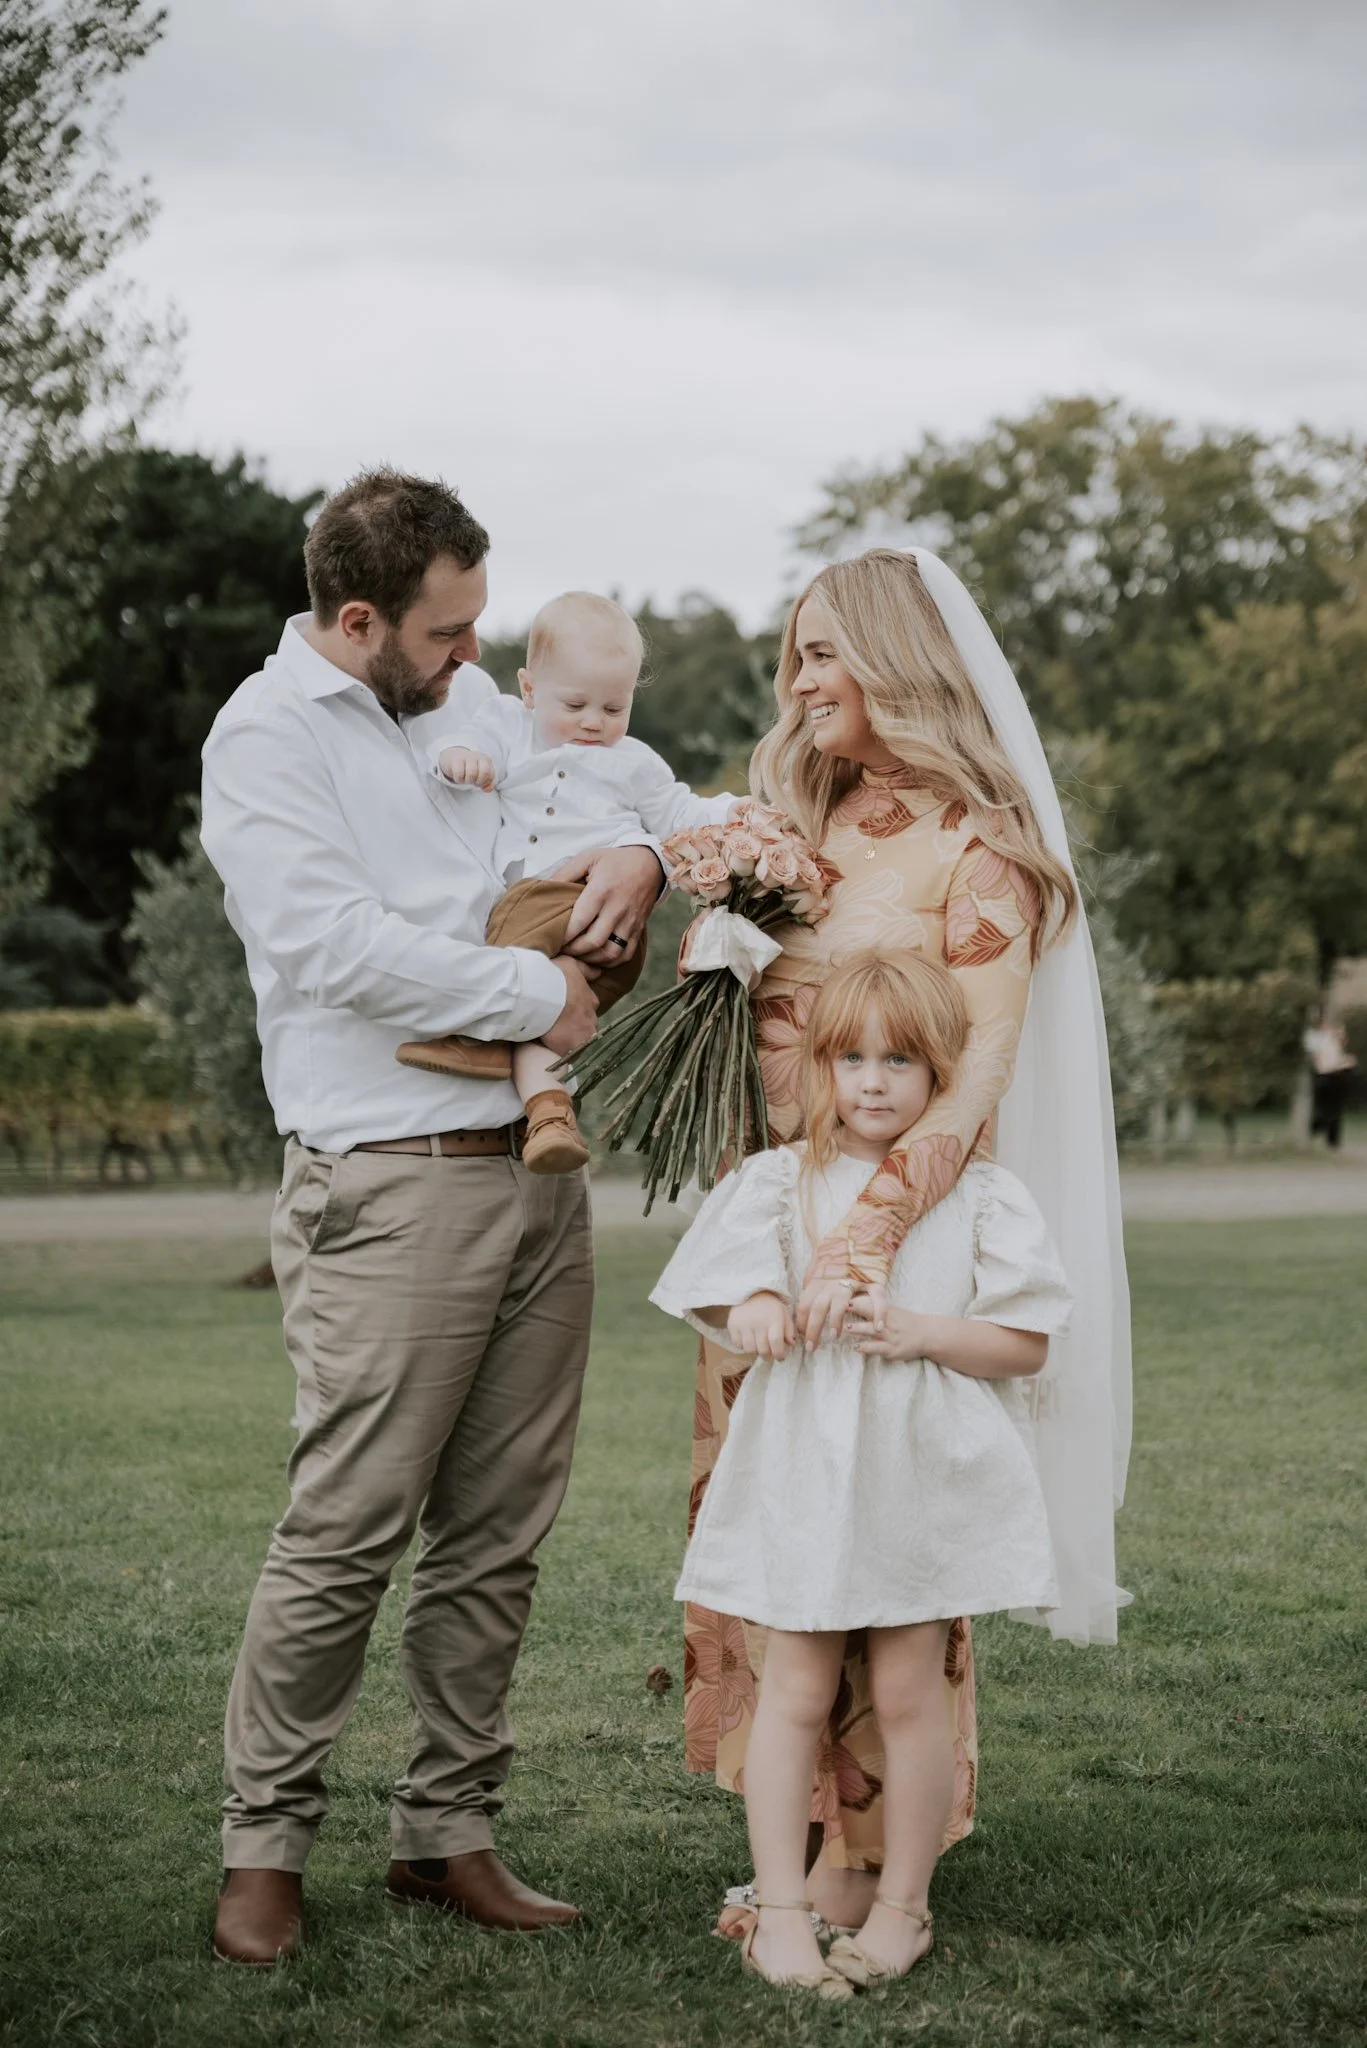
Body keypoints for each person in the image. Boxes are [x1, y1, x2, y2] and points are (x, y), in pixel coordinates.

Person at [199, 469, 664, 1966]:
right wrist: (544, 992)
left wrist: (636, 857)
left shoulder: (471, 713)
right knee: (345, 1530)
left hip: (538, 1166)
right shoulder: (265, 739)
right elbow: (333, 947)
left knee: (498, 1535)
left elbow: (580, 811)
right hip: (387, 1181)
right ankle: (263, 1848)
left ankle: (446, 1831)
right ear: (357, 621)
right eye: (450, 634)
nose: (477, 659)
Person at [686, 548, 1131, 1939]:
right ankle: (798, 1851)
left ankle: (872, 1867)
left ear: (896, 659)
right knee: (781, 1551)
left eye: (825, 653)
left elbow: (974, 1075)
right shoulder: (794, 825)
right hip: (769, 1234)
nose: (799, 680)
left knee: (884, 1552)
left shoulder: (974, 849)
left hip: (894, 1252)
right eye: (794, 656)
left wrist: (862, 1247)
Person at [652, 951, 1071, 1996]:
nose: (873, 1080)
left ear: (940, 1074)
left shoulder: (974, 1195)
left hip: (916, 1476)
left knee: (905, 1690)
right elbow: (724, 1290)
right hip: (805, 1470)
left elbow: (1023, 1342)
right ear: (819, 1066)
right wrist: (752, 1301)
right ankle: (781, 1904)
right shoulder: (775, 1179)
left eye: (899, 1060)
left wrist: (921, 1327)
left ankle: (901, 1906)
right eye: (849, 1056)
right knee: (793, 1686)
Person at [395, 590, 740, 1173]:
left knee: (521, 915)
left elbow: (680, 811)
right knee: (535, 1022)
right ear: (529, 690)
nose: (593, 723)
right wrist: (460, 757)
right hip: (544, 945)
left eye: (614, 708)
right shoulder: (509, 725)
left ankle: (470, 1036)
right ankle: (550, 1116)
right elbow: (471, 743)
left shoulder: (633, 762)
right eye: (576, 703)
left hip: (597, 922)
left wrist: (738, 813)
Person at [1303, 1010, 1357, 1151]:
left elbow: (1335, 1058)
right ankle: (1315, 1132)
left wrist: (1345, 1061)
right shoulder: (1319, 1040)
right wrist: (1343, 1063)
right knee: (1326, 1111)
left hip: (1335, 1076)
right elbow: (1322, 1064)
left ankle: (1333, 1141)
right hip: (1326, 1077)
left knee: (1334, 1111)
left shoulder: (1332, 1042)